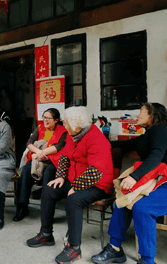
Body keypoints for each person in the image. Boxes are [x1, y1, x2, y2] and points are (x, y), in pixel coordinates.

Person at [91, 103, 167, 264]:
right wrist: (95, 142)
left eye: (141, 112)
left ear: (153, 115)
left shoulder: (160, 130)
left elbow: (156, 156)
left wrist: (135, 176)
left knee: (143, 208)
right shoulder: (146, 136)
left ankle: (147, 260)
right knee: (122, 200)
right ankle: (115, 248)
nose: (137, 116)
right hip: (155, 180)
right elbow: (122, 145)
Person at [26, 106, 114, 264]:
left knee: (74, 200)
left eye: (66, 123)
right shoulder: (74, 136)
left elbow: (96, 171)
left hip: (99, 184)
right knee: (49, 189)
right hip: (78, 180)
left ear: (77, 125)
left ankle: (74, 247)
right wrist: (60, 177)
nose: (64, 126)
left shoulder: (96, 138)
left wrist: (75, 188)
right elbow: (65, 158)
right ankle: (46, 234)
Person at [13, 108, 71, 222]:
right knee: (25, 171)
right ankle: (22, 207)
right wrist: (38, 153)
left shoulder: (63, 131)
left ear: (56, 120)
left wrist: (42, 154)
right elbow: (29, 143)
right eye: (44, 117)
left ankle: (47, 210)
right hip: (38, 159)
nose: (45, 120)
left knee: (49, 172)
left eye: (49, 118)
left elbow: (58, 147)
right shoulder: (40, 128)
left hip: (53, 160)